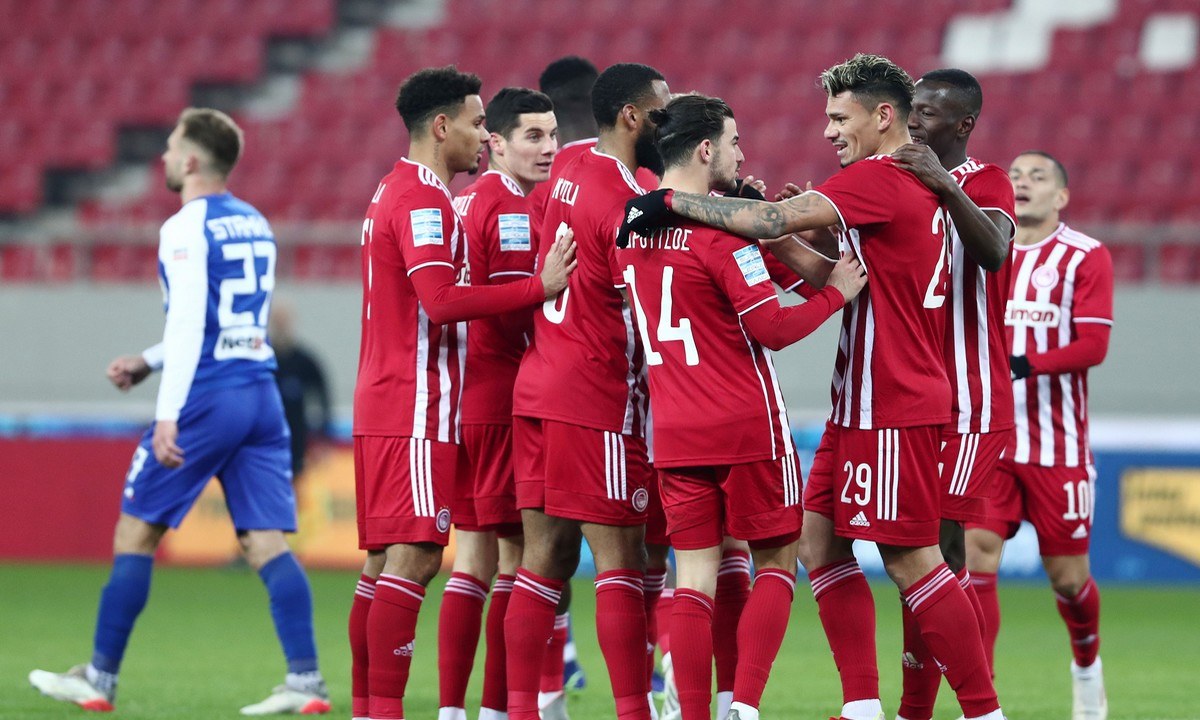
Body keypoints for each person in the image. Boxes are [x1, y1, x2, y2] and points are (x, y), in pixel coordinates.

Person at [620, 53, 1005, 720]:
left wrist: (669, 200)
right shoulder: (894, 183)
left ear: (882, 116)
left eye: (839, 117)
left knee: (912, 560)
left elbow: (773, 227)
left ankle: (983, 710)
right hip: (858, 402)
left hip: (892, 399)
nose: (828, 131)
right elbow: (824, 267)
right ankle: (862, 704)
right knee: (818, 544)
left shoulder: (879, 178)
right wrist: (761, 218)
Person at [28, 108, 331, 716]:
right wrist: (147, 359)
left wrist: (168, 411)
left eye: (170, 147)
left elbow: (192, 325)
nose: (164, 156)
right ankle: (306, 681)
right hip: (260, 392)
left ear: (191, 160)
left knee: (136, 532)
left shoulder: (185, 226)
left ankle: (99, 677)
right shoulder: (255, 222)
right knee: (266, 541)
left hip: (209, 395)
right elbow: (227, 323)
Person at [616, 92, 866, 720]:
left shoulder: (631, 234)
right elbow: (772, 329)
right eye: (734, 142)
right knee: (778, 561)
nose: (741, 154)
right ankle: (745, 707)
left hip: (675, 431)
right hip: (747, 425)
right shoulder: (722, 238)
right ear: (706, 150)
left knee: (693, 581)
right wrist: (836, 294)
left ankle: (695, 713)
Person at [347, 66, 575, 720]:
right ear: (442, 126)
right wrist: (541, 287)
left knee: (383, 564)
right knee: (418, 559)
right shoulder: (423, 198)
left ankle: (369, 710)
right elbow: (442, 302)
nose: (484, 136)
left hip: (389, 397)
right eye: (478, 124)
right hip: (417, 401)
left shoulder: (395, 189)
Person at [505, 62, 670, 720]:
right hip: (596, 396)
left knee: (543, 558)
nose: (668, 125)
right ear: (631, 116)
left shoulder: (569, 165)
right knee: (621, 560)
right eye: (660, 113)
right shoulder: (630, 201)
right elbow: (653, 298)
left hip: (538, 386)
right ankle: (634, 711)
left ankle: (525, 710)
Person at [964, 150, 1113, 720]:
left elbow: (1093, 345)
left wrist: (1024, 363)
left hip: (1058, 447)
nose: (1023, 183)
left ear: (1062, 196)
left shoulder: (1085, 256)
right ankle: (984, 702)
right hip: (993, 441)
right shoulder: (984, 248)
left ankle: (1086, 665)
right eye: (1016, 175)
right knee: (977, 556)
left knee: (1069, 581)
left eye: (1038, 176)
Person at [888, 69, 1016, 720]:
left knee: (935, 551)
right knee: (917, 557)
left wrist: (942, 182)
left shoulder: (986, 181)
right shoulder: (898, 179)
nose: (914, 120)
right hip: (909, 398)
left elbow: (994, 251)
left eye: (929, 113)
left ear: (963, 124)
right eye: (911, 108)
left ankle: (969, 708)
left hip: (969, 399)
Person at [436, 86, 558, 720]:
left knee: (478, 557)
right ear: (497, 144)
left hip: (476, 395)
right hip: (502, 396)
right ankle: (494, 710)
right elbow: (506, 312)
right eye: (533, 136)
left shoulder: (482, 201)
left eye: (552, 135)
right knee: (515, 559)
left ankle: (458, 710)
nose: (548, 147)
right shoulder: (503, 206)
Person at [269, 299, 332, 479]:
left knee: (296, 483)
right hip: (269, 436)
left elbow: (323, 395)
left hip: (297, 437)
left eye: (284, 321)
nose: (281, 327)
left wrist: (322, 433)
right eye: (278, 321)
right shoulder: (265, 360)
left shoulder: (305, 361)